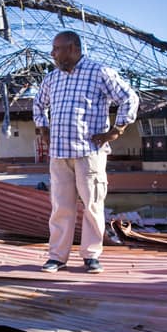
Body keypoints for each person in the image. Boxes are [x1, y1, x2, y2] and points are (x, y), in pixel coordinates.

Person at [32, 31, 139, 274]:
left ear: (72, 48)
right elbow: (38, 104)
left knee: (92, 206)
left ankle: (91, 256)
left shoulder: (99, 72)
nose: (53, 53)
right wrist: (44, 129)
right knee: (61, 208)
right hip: (59, 154)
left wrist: (116, 130)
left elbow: (129, 98)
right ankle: (57, 257)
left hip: (89, 153)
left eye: (56, 49)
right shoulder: (51, 78)